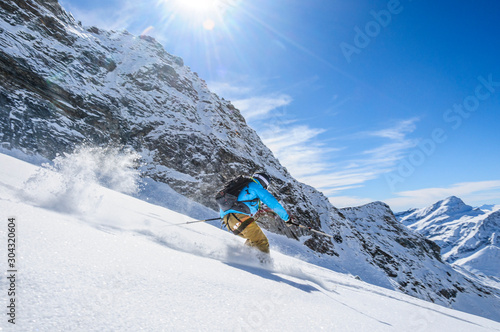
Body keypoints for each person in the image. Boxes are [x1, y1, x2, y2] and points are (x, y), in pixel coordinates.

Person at [219, 172, 290, 254]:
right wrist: (287, 218)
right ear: (264, 183)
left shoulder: (243, 186)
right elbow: (273, 203)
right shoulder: (255, 186)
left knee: (253, 239)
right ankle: (264, 265)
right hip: (239, 217)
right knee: (261, 241)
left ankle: (246, 259)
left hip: (229, 222)